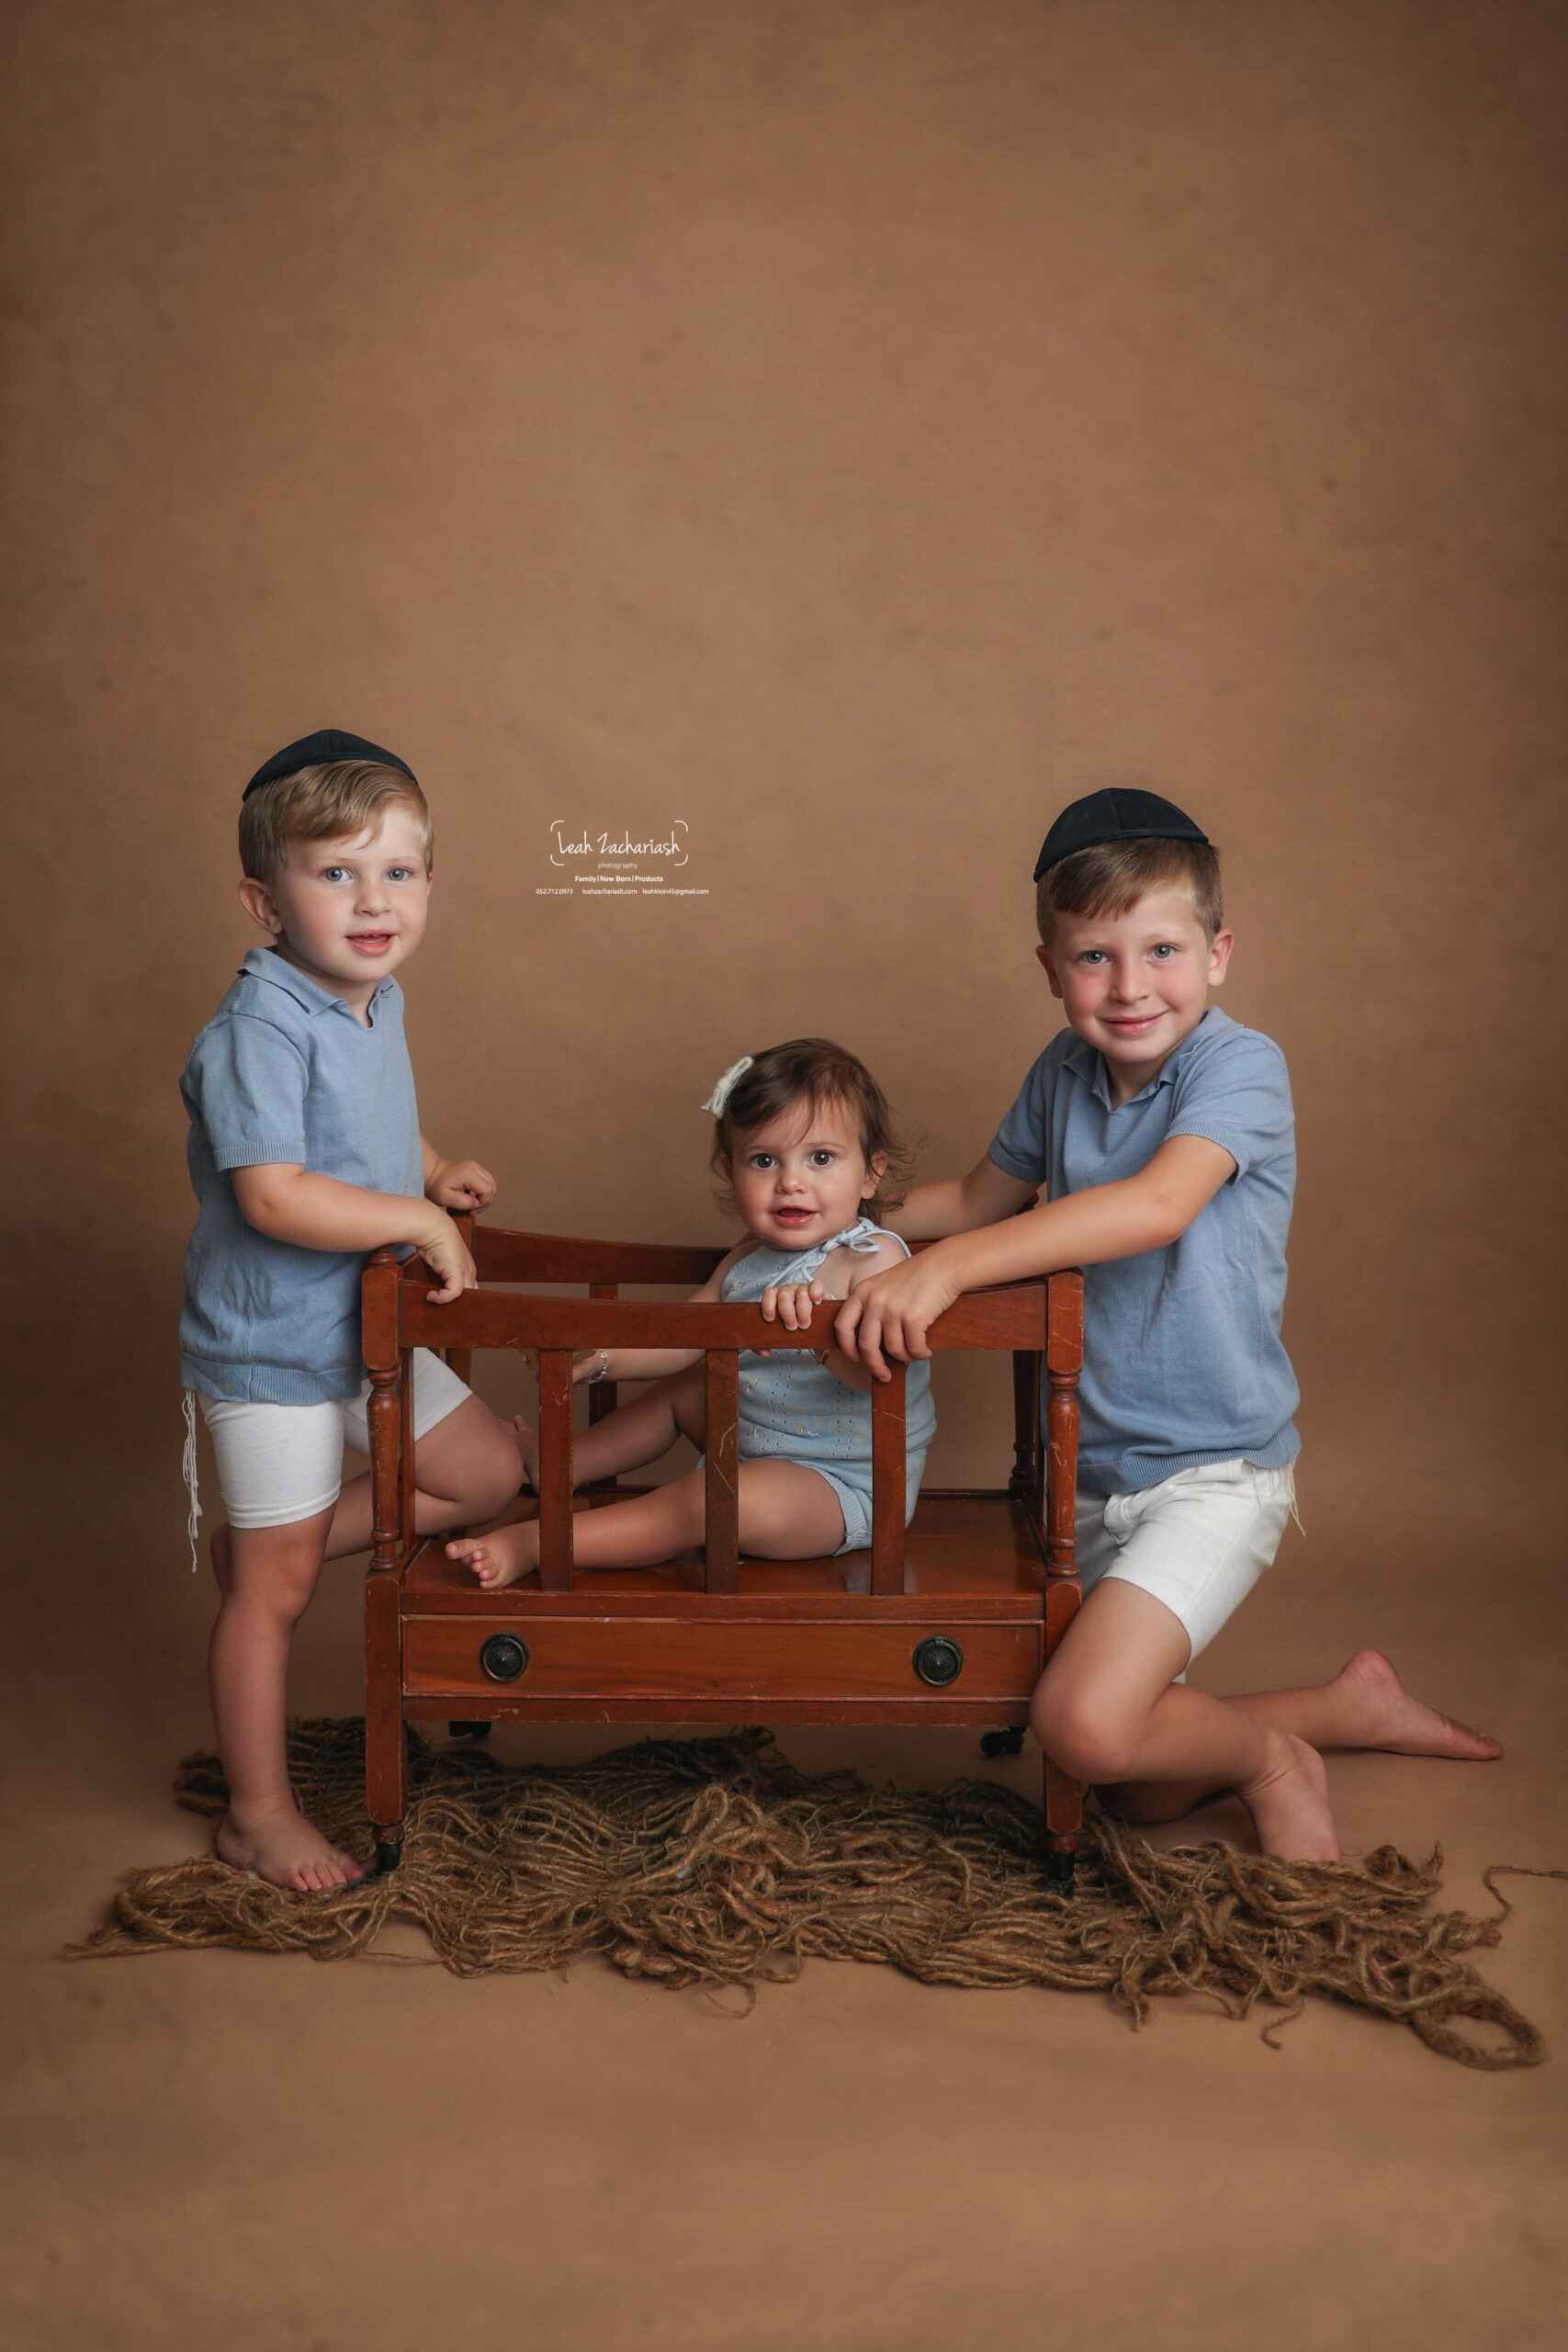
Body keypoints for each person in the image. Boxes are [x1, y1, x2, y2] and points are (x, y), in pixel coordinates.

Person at [835, 788, 1500, 1860]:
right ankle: (1346, 1705)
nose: (1130, 985)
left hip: (1212, 1471)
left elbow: (1155, 1205)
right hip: (1094, 1477)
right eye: (1094, 958)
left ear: (1218, 953)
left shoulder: (1241, 1066)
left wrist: (945, 1271)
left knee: (1085, 1724)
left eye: (1161, 951)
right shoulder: (1061, 1073)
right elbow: (973, 1199)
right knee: (1138, 1787)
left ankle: (1277, 1760)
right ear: (1050, 969)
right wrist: (833, 1224)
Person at [180, 730, 524, 1892]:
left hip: (367, 1329)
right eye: (336, 872)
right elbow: (274, 1191)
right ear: (264, 901)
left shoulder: (375, 998)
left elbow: (364, 1120)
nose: (374, 901)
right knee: (272, 1595)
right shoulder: (259, 1027)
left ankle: (270, 1542)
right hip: (275, 1342)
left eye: (399, 871)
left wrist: (430, 1170)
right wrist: (419, 1223)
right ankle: (257, 1812)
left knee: (486, 1473)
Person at [446, 1038, 935, 1589]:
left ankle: (542, 1542)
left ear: (870, 1174)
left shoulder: (874, 1258)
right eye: (764, 1160)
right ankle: (564, 1464)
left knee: (712, 1500)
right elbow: (684, 1335)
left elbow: (880, 1376)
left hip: (840, 1486)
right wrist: (600, 1357)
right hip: (751, 1444)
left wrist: (817, 1333)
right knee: (685, 1387)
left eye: (821, 1158)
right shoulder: (749, 1258)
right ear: (732, 1170)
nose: (791, 1181)